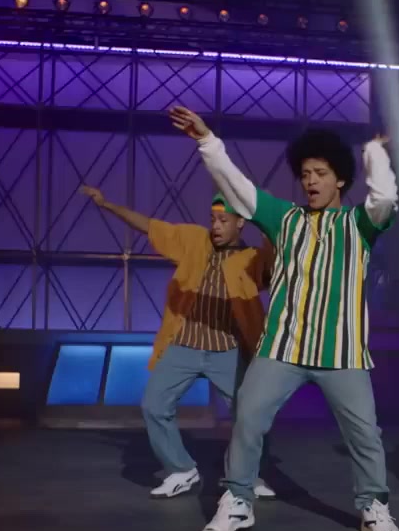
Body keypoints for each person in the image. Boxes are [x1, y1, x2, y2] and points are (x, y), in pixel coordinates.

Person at [167, 105, 399, 531]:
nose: (311, 180)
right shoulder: (285, 218)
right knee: (247, 416)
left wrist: (373, 151)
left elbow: (385, 198)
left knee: (365, 435)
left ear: (340, 180)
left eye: (321, 173)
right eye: (306, 173)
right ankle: (238, 499)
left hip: (342, 352)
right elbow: (236, 186)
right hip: (282, 348)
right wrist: (207, 141)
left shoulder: (360, 224)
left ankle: (374, 506)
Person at [80, 186, 276, 500]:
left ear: (241, 223)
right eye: (213, 219)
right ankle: (181, 469)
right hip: (184, 344)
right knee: (154, 405)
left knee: (249, 414)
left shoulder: (252, 258)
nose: (216, 226)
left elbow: (278, 256)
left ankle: (245, 475)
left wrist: (266, 220)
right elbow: (148, 225)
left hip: (227, 350)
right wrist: (107, 205)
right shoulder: (194, 240)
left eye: (224, 221)